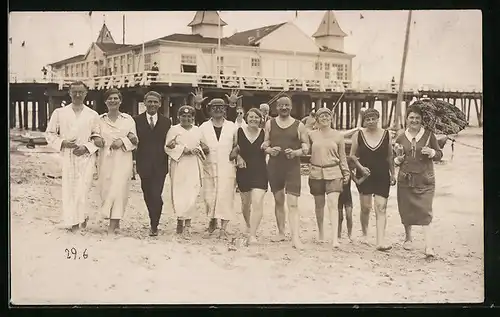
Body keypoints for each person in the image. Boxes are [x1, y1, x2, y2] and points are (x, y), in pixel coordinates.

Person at [45, 81, 101, 232]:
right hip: (68, 155)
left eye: (80, 92)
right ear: (69, 93)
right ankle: (74, 222)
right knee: (70, 189)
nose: (77, 95)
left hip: (86, 157)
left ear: (85, 93)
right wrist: (63, 142)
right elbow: (49, 134)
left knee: (83, 188)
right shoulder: (59, 113)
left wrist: (86, 147)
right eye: (74, 92)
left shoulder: (92, 114)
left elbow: (98, 138)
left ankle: (80, 217)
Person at [394, 105, 443, 257]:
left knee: (425, 211)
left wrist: (432, 152)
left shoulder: (429, 135)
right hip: (405, 179)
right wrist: (397, 159)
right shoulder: (401, 136)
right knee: (405, 209)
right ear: (406, 119)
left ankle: (429, 247)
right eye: (411, 117)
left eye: (417, 118)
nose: (414, 120)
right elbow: (394, 159)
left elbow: (440, 155)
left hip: (425, 179)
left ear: (422, 120)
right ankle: (408, 238)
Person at [262, 95, 309, 249]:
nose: (284, 108)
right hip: (275, 166)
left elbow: (306, 146)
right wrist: (269, 149)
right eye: (281, 105)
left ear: (291, 107)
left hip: (292, 167)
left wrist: (296, 153)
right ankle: (281, 232)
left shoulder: (299, 125)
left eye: (287, 105)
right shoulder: (270, 123)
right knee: (279, 200)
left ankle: (295, 238)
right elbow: (265, 142)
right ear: (276, 107)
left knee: (293, 203)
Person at [349, 108, 396, 251]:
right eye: (367, 119)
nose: (370, 122)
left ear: (378, 119)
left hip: (382, 174)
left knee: (381, 207)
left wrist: (393, 174)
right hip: (365, 174)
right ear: (364, 121)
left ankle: (380, 240)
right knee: (366, 207)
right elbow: (352, 155)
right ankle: (364, 234)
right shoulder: (359, 134)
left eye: (373, 119)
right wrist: (360, 167)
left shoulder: (387, 134)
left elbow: (390, 156)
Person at [94, 88, 137, 234]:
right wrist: (97, 139)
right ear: (105, 101)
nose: (113, 101)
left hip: (123, 158)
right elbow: (94, 136)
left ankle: (113, 224)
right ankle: (114, 220)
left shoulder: (128, 119)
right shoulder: (99, 120)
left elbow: (134, 140)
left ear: (120, 101)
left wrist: (123, 141)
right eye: (110, 99)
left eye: (115, 98)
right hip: (105, 158)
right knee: (105, 188)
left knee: (120, 189)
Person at [308, 108, 350, 248]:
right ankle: (320, 233)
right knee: (319, 205)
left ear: (332, 118)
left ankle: (334, 238)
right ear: (317, 119)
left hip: (334, 172)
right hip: (316, 173)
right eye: (321, 116)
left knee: (333, 204)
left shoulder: (338, 136)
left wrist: (346, 172)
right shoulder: (312, 134)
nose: (325, 118)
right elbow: (302, 139)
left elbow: (342, 156)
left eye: (327, 115)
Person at [198, 98, 238, 239]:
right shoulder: (203, 127)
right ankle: (212, 220)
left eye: (221, 107)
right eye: (214, 107)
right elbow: (197, 142)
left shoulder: (232, 126)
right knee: (209, 198)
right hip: (209, 166)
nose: (218, 109)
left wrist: (236, 150)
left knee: (226, 197)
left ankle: (223, 227)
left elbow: (240, 142)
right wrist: (202, 147)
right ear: (209, 109)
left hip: (227, 166)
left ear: (225, 109)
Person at [165, 105, 206, 239]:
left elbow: (203, 146)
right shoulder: (173, 130)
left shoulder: (197, 130)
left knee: (192, 194)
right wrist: (182, 149)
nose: (186, 119)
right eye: (183, 116)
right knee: (179, 192)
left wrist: (198, 149)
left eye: (189, 117)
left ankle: (188, 224)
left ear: (193, 118)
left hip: (193, 164)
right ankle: (179, 220)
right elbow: (167, 147)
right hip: (179, 164)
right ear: (179, 117)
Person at [134, 91, 171, 236]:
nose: (152, 105)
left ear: (160, 104)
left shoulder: (166, 122)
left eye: (155, 102)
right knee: (147, 195)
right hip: (143, 164)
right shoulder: (136, 120)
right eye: (150, 102)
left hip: (160, 165)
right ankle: (153, 219)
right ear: (144, 103)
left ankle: (154, 224)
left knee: (156, 195)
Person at [230, 108, 268, 244]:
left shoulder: (264, 133)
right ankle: (248, 224)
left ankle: (252, 234)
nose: (253, 119)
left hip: (260, 171)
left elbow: (268, 150)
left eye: (256, 117)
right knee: (246, 203)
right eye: (251, 117)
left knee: (257, 202)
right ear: (246, 118)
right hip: (243, 171)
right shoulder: (239, 132)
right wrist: (238, 157)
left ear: (261, 119)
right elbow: (233, 150)